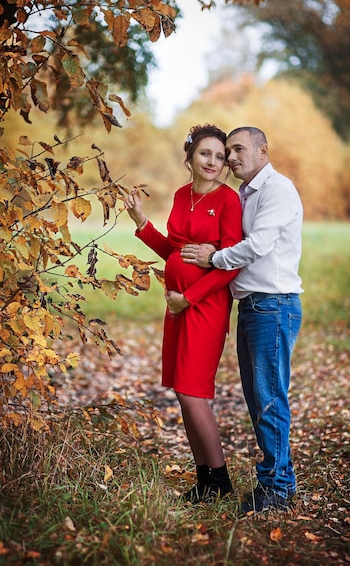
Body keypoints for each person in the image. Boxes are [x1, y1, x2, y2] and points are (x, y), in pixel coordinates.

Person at [181, 126, 303, 514]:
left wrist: (212, 259)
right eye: (227, 151)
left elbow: (256, 246)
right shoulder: (246, 193)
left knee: (269, 399)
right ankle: (276, 477)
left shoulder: (277, 190)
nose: (230, 158)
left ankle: (278, 488)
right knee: (257, 398)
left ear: (262, 150)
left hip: (274, 304)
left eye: (237, 150)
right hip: (252, 305)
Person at [124, 124, 243, 503]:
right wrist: (142, 224)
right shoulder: (181, 195)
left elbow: (231, 265)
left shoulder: (227, 200)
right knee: (181, 391)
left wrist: (188, 298)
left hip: (203, 305)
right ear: (189, 156)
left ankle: (221, 480)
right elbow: (173, 252)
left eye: (220, 157)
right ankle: (204, 478)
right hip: (177, 306)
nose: (213, 161)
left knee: (194, 393)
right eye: (205, 153)